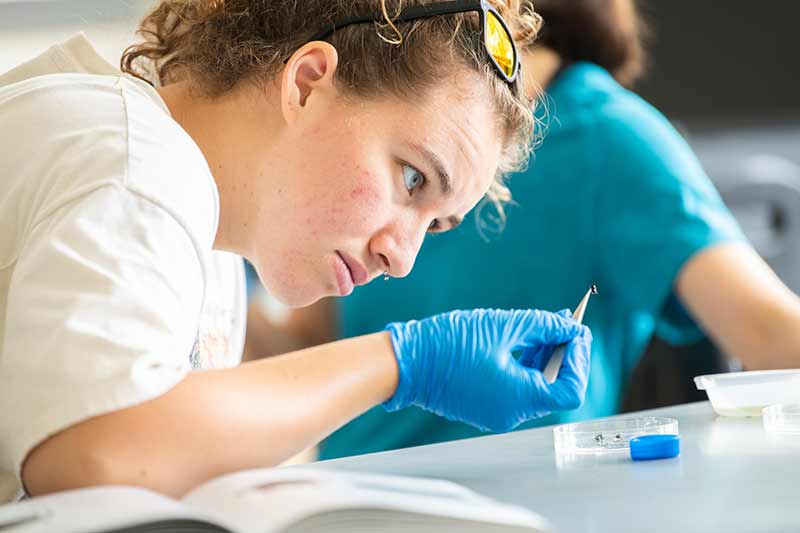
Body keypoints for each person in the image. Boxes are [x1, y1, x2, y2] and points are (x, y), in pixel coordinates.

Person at [0, 0, 595, 502]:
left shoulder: (213, 242)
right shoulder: (136, 166)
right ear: (308, 83)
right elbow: (98, 457)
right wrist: (402, 363)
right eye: (412, 179)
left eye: (435, 224)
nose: (403, 258)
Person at [243, 0, 800, 460]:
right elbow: (309, 333)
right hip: (350, 504)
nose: (403, 254)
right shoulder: (391, 111)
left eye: (435, 215)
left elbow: (775, 333)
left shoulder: (610, 140)